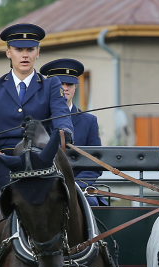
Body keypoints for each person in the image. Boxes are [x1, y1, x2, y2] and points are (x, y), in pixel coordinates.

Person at [0, 23, 74, 190]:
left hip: (43, 159)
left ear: (38, 52)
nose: (25, 55)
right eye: (18, 50)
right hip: (7, 160)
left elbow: (62, 117)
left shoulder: (51, 85)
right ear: (8, 53)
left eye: (30, 50)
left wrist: (64, 132)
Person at [39, 58, 107, 206]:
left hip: (79, 188)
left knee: (90, 203)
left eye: (69, 84)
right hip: (43, 184)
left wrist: (78, 184)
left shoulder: (89, 121)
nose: (64, 88)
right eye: (59, 84)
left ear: (75, 87)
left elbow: (95, 160)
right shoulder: (39, 121)